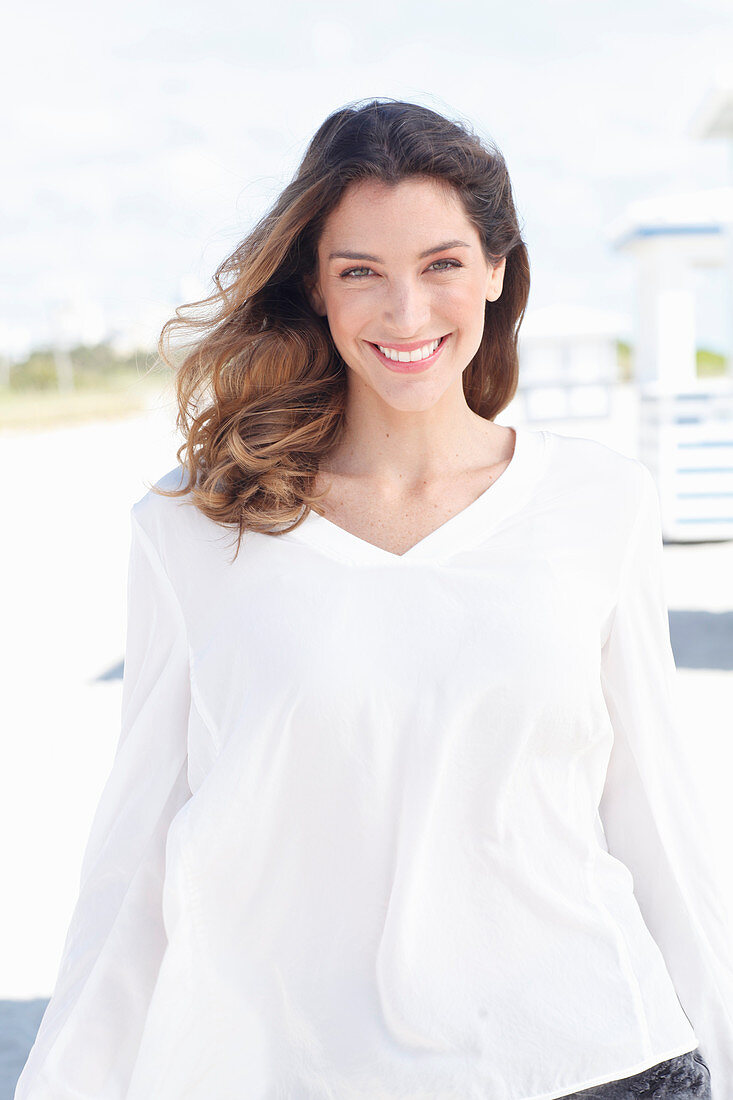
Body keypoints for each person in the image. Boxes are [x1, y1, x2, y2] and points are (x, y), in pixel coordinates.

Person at [14, 97, 730, 1100]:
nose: (405, 314)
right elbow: (133, 859)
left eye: (441, 264)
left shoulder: (598, 502)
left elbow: (656, 821)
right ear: (312, 285)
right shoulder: (193, 527)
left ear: (495, 269)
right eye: (361, 272)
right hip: (298, 1070)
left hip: (594, 1057)